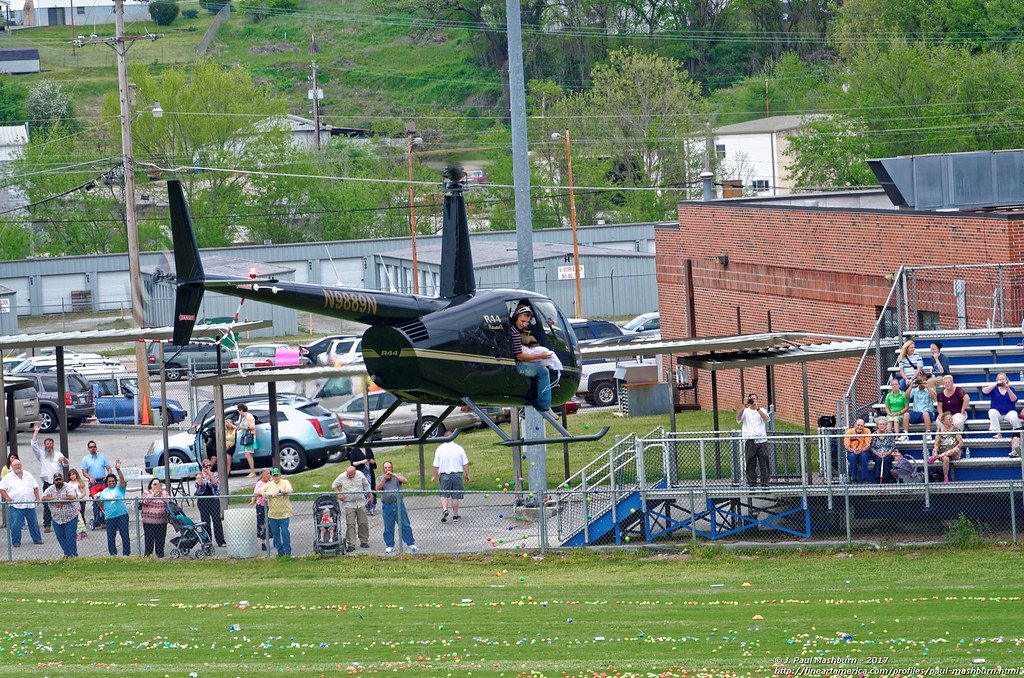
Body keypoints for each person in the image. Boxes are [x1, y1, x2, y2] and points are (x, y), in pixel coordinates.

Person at [510, 306, 554, 412]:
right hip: (518, 366)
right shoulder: (515, 333)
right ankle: (544, 405)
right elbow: (519, 356)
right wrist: (541, 356)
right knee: (544, 372)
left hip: (515, 363)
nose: (524, 324)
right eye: (522, 321)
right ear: (516, 317)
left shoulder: (512, 329)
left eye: (526, 322)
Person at [31, 422, 68, 534]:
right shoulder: (41, 455)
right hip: (47, 483)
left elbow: (66, 464)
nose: (49, 445)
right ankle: (47, 525)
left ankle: (62, 522)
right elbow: (33, 445)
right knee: (47, 504)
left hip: (59, 484)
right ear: (45, 445)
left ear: (53, 445)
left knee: (61, 503)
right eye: (47, 443)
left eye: (50, 443)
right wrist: (36, 431)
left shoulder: (58, 454)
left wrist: (64, 460)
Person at [0, 457, 43, 547]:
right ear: (11, 466)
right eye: (15, 465)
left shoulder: (28, 474)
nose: (17, 466)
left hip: (30, 504)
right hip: (16, 506)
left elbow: (35, 486)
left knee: (34, 524)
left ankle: (37, 539)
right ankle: (16, 542)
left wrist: (37, 497)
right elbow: (2, 488)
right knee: (15, 525)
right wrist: (7, 498)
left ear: (21, 465)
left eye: (18, 464)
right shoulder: (8, 477)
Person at [376, 461, 417, 554]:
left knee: (405, 524)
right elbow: (377, 488)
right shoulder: (380, 478)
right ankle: (389, 545)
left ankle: (410, 544)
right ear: (383, 469)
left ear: (392, 468)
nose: (387, 469)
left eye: (389, 467)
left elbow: (405, 481)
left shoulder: (397, 476)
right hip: (387, 506)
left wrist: (393, 475)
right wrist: (384, 479)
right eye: (386, 468)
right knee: (388, 527)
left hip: (399, 504)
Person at [332, 465, 373, 551]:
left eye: (351, 475)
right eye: (348, 474)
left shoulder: (360, 475)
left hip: (360, 502)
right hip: (349, 504)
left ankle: (364, 541)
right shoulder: (342, 476)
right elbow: (334, 485)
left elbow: (366, 485)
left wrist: (370, 495)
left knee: (363, 522)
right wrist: (339, 493)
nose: (349, 476)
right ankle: (351, 544)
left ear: (354, 473)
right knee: (350, 524)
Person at [41, 470, 79, 557]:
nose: (58, 481)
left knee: (70, 537)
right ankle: (67, 553)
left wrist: (62, 500)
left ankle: (73, 554)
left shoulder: (68, 487)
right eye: (56, 480)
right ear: (54, 481)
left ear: (62, 479)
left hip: (70, 517)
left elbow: (72, 496)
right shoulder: (50, 489)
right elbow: (43, 497)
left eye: (60, 479)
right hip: (56, 518)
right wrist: (54, 499)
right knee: (60, 537)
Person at [736, 393, 771, 488]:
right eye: (750, 399)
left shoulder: (762, 410)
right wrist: (743, 406)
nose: (752, 401)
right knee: (750, 463)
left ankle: (765, 484)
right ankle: (752, 484)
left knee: (764, 463)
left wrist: (757, 408)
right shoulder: (746, 411)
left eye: (754, 399)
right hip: (750, 440)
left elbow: (767, 419)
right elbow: (738, 418)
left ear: (757, 400)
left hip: (761, 440)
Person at [257, 468, 293, 557]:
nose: (276, 477)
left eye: (277, 475)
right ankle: (280, 551)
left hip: (285, 513)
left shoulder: (285, 482)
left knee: (285, 532)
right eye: (274, 475)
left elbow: (290, 490)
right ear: (272, 476)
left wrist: (280, 491)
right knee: (275, 533)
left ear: (280, 475)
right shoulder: (269, 484)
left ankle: (287, 551)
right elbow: (257, 490)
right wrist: (262, 493)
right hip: (273, 514)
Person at [431, 440, 470, 522]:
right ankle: (455, 515)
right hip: (457, 475)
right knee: (455, 496)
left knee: (444, 494)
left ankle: (445, 509)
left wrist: (434, 476)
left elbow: (436, 465)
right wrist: (467, 475)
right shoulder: (459, 448)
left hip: (445, 475)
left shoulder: (440, 448)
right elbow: (465, 463)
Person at [96, 461, 129, 556]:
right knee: (111, 537)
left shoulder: (120, 488)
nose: (111, 482)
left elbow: (122, 480)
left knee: (124, 535)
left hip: (122, 515)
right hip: (110, 517)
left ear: (115, 481)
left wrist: (118, 469)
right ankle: (113, 554)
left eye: (113, 481)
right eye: (109, 481)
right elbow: (100, 503)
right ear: (107, 483)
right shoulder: (103, 492)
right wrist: (97, 500)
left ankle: (126, 554)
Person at [194, 461, 226, 548]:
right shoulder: (199, 475)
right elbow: (199, 484)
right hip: (203, 501)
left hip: (213, 500)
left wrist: (209, 474)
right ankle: (208, 541)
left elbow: (215, 484)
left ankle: (220, 541)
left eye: (209, 465)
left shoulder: (214, 475)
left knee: (217, 520)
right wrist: (202, 474)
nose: (207, 467)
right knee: (205, 521)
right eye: (205, 465)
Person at [80, 441, 111, 529]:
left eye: (94, 446)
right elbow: (84, 472)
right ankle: (97, 520)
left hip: (103, 481)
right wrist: (90, 478)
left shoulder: (102, 457)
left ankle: (105, 520)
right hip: (94, 483)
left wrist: (108, 475)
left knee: (105, 501)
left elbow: (108, 468)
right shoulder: (85, 459)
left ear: (96, 448)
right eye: (90, 447)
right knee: (96, 502)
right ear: (88, 449)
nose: (92, 448)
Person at [982, 372, 1020, 437]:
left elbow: (1014, 400)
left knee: (1014, 416)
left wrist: (1008, 389)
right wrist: (995, 385)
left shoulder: (1011, 389)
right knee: (991, 412)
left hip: (1009, 413)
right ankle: (998, 433)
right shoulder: (994, 389)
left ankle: (1017, 434)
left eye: (1003, 379)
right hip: (998, 413)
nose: (1002, 381)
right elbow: (984, 391)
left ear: (1006, 380)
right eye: (1000, 379)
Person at [929, 411, 963, 482]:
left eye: (951, 419)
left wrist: (938, 455)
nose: (951, 420)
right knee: (946, 459)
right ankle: (946, 478)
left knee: (956, 449)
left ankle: (937, 457)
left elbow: (960, 443)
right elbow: (936, 443)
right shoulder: (939, 431)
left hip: (954, 453)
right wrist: (935, 452)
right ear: (943, 421)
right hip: (943, 451)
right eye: (949, 419)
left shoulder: (955, 429)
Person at [140, 478, 170, 558]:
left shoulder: (164, 493)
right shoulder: (146, 492)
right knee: (149, 539)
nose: (156, 486)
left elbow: (168, 501)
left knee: (160, 539)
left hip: (161, 521)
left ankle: (160, 555)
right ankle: (148, 555)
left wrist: (161, 492)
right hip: (148, 522)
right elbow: (145, 501)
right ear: (150, 485)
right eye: (154, 484)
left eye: (158, 484)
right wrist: (153, 493)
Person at [227, 403, 257, 477]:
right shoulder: (244, 418)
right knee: (247, 455)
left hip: (250, 437)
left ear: (240, 410)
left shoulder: (249, 417)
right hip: (246, 438)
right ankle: (252, 471)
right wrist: (231, 425)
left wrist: (243, 428)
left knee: (248, 455)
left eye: (238, 410)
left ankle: (252, 472)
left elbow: (252, 427)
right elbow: (238, 427)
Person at [348, 447, 377, 515]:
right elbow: (353, 463)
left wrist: (371, 461)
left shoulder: (368, 449)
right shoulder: (354, 450)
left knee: (371, 488)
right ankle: (364, 506)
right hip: (361, 473)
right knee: (363, 489)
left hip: (369, 473)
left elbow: (373, 461)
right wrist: (362, 462)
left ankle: (372, 507)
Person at [843, 418, 873, 484]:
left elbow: (868, 445)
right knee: (852, 456)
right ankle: (854, 478)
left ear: (864, 426)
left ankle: (864, 478)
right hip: (852, 451)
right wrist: (853, 450)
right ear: (855, 425)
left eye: (861, 425)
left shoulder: (867, 431)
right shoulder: (849, 432)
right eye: (858, 425)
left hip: (864, 451)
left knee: (864, 456)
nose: (859, 427)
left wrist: (861, 450)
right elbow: (846, 445)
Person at [248, 469, 271, 551]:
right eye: (267, 474)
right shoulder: (259, 483)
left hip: (269, 506)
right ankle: (263, 542)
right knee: (261, 524)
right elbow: (255, 493)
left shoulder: (270, 483)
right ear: (262, 475)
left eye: (269, 474)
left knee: (270, 523)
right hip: (260, 506)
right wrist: (252, 501)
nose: (269, 475)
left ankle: (271, 539)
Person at [871, 419, 897, 484]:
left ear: (886, 425)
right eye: (880, 424)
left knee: (887, 459)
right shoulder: (874, 434)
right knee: (879, 459)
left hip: (888, 453)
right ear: (877, 426)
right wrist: (877, 453)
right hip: (877, 453)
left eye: (883, 424)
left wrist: (887, 452)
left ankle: (886, 479)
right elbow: (872, 447)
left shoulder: (890, 433)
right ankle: (878, 478)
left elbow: (893, 446)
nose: (882, 426)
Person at [67, 468, 89, 541]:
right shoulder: (69, 483)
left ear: (76, 474)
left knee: (81, 515)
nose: (72, 476)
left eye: (73, 474)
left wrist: (78, 497)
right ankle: (77, 530)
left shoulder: (79, 482)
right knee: (76, 516)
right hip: (73, 502)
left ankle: (83, 530)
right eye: (70, 475)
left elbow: (83, 492)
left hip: (81, 500)